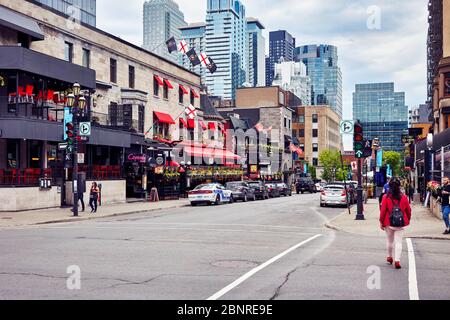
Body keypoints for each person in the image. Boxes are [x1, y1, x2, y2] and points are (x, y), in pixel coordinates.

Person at [379, 178, 412, 269]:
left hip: (388, 222)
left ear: (389, 186)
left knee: (389, 241)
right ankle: (397, 261)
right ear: (399, 186)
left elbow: (383, 211)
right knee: (398, 242)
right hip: (400, 222)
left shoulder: (386, 197)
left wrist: (381, 222)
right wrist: (408, 219)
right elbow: (408, 210)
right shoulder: (404, 197)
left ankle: (389, 257)